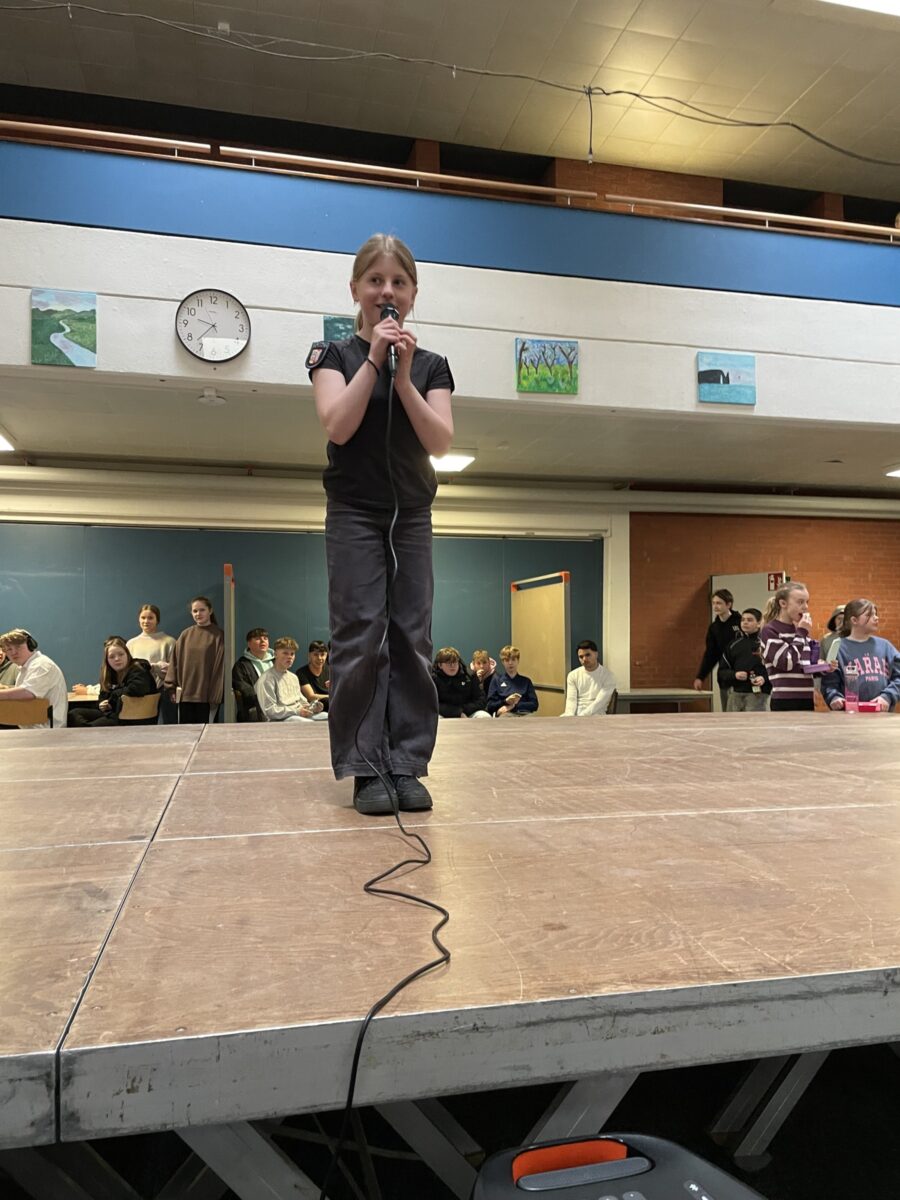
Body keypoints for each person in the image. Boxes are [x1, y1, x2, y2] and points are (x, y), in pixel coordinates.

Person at [309, 232, 454, 815]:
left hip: (411, 515)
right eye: (375, 281)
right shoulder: (332, 356)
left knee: (412, 638)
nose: (386, 291)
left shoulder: (432, 366)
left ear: (413, 294)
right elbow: (337, 425)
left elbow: (439, 441)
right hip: (354, 513)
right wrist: (374, 360)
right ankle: (366, 768)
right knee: (360, 635)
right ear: (356, 290)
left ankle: (407, 763)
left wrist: (404, 378)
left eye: (398, 282)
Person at [823, 599, 900, 712]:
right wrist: (834, 697)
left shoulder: (886, 646)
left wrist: (887, 696)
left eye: (875, 614)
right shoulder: (838, 648)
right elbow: (829, 683)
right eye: (869, 615)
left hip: (882, 714)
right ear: (854, 620)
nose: (876, 618)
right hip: (850, 715)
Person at [68, 637, 157, 726]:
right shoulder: (110, 674)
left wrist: (112, 699)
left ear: (127, 655)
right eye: (112, 657)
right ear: (107, 660)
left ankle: (89, 730)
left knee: (90, 728)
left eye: (121, 654)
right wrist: (101, 704)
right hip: (113, 713)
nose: (117, 659)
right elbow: (103, 694)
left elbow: (137, 688)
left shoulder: (138, 669)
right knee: (73, 714)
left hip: (133, 717)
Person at [165, 595, 225, 724]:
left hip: (207, 697)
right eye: (195, 611)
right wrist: (171, 688)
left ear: (210, 611)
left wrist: (216, 694)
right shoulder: (185, 635)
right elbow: (174, 662)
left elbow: (220, 668)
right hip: (185, 696)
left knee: (207, 732)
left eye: (202, 610)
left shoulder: (219, 635)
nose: (198, 614)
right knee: (186, 732)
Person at [760, 582, 818, 712]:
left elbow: (805, 666)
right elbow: (786, 663)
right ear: (783, 603)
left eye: (807, 602)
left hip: (807, 698)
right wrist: (802, 632)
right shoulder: (770, 630)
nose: (805, 607)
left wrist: (822, 667)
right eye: (800, 602)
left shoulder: (801, 631)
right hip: (784, 700)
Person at [0, 628, 68, 728]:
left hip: (46, 732)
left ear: (30, 645)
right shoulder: (25, 668)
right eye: (9, 649)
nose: (13, 652)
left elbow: (28, 693)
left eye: (18, 647)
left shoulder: (41, 665)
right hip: (31, 729)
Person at [126, 603, 177, 723]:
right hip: (140, 691)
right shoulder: (131, 644)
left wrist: (158, 668)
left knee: (169, 723)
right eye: (143, 618)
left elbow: (174, 669)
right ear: (139, 619)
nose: (146, 621)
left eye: (150, 618)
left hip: (164, 690)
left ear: (157, 620)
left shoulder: (169, 642)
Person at [693, 588, 743, 709]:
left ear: (728, 604)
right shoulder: (714, 628)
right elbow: (711, 654)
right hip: (725, 676)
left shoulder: (741, 622)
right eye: (714, 603)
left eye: (719, 603)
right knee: (727, 710)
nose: (715, 606)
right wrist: (701, 676)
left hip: (742, 676)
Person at [255, 637, 323, 723]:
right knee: (308, 723)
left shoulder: (293, 677)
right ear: (275, 654)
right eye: (285, 653)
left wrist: (312, 707)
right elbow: (270, 711)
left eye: (292, 654)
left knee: (328, 717)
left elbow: (302, 701)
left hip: (298, 714)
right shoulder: (266, 679)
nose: (290, 657)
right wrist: (297, 711)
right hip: (279, 719)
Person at [718, 608, 771, 712]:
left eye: (749, 620)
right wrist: (734, 675)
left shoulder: (766, 643)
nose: (745, 622)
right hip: (736, 694)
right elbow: (722, 671)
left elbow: (776, 669)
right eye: (743, 620)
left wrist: (764, 678)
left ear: (759, 624)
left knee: (753, 722)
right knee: (732, 721)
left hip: (758, 694)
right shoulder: (733, 645)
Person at [562, 639, 617, 717]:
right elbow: (571, 700)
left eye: (588, 655)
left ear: (596, 654)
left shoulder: (608, 676)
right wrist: (569, 715)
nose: (584, 659)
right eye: (581, 657)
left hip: (597, 715)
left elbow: (599, 703)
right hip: (576, 715)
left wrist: (582, 716)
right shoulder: (572, 675)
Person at [432, 647, 489, 718]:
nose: (452, 666)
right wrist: (456, 712)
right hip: (444, 714)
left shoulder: (469, 676)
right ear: (440, 665)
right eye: (448, 663)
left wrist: (463, 710)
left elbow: (481, 700)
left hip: (467, 712)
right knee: (436, 718)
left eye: (455, 662)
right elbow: (431, 704)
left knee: (484, 716)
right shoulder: (433, 679)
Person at [231, 628, 273, 721]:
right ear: (249, 644)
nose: (262, 641)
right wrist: (266, 698)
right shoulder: (241, 665)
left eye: (265, 638)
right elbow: (244, 689)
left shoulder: (276, 662)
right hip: (255, 707)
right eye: (257, 638)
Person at [486, 645, 539, 717]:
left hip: (524, 713)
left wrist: (514, 706)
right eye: (507, 660)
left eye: (513, 659)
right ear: (503, 662)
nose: (510, 663)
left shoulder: (526, 681)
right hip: (506, 714)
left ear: (518, 661)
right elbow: (490, 705)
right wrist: (505, 701)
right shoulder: (497, 680)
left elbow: (534, 705)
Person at [296, 640, 331, 711]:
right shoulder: (301, 673)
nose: (319, 658)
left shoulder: (331, 670)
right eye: (315, 654)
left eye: (322, 654)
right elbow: (311, 697)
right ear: (309, 655)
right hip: (313, 707)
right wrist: (332, 696)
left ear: (326, 655)